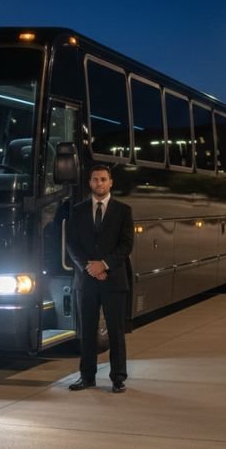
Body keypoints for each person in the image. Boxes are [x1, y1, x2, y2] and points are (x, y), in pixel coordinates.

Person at [65, 164, 134, 393]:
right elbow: (72, 244)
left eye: (103, 179)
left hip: (113, 280)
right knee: (87, 332)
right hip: (86, 281)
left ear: (111, 182)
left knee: (115, 332)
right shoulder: (78, 210)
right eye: (95, 179)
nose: (99, 183)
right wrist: (90, 267)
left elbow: (126, 245)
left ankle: (118, 378)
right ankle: (86, 377)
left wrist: (103, 265)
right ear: (89, 183)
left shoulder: (123, 211)